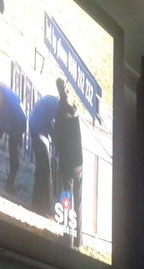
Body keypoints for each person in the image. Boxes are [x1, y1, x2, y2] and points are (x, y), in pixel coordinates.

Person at [53, 78, 83, 247]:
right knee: (78, 200)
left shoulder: (60, 109)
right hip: (79, 161)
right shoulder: (73, 106)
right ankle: (78, 239)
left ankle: (68, 239)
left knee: (67, 199)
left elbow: (58, 137)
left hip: (67, 161)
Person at [28, 94, 58, 217]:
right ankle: (42, 206)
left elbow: (49, 123)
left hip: (36, 127)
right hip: (38, 130)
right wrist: (55, 136)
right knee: (45, 171)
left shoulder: (53, 101)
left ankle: (36, 202)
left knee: (41, 169)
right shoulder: (56, 106)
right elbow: (48, 123)